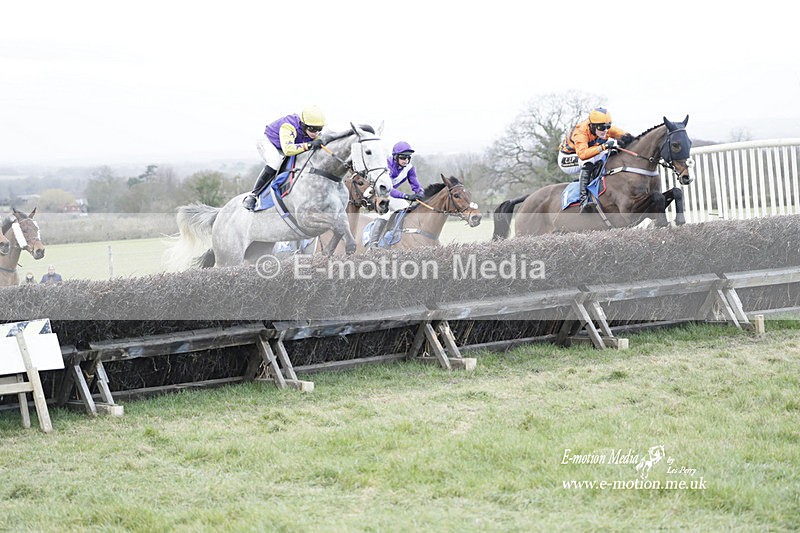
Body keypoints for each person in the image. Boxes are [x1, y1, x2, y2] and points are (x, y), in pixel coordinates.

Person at [243, 105, 326, 211]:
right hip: (270, 143)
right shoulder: (289, 126)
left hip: (287, 145)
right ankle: (253, 195)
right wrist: (309, 145)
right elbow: (288, 150)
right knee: (275, 163)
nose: (316, 133)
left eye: (320, 129)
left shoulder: (313, 131)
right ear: (304, 125)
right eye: (313, 130)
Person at [558, 107, 634, 212]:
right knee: (588, 161)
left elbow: (624, 135)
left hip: (586, 152)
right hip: (568, 158)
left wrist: (629, 138)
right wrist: (603, 147)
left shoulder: (601, 126)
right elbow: (583, 154)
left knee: (611, 152)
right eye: (602, 128)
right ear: (592, 126)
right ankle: (583, 201)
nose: (606, 130)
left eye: (608, 126)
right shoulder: (581, 132)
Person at [366, 141, 425, 247]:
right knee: (386, 214)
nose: (406, 160)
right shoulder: (386, 166)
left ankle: (396, 234)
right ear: (395, 157)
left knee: (406, 208)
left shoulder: (409, 168)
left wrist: (421, 194)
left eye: (408, 157)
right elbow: (389, 189)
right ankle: (372, 243)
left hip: (389, 195)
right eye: (403, 157)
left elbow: (415, 184)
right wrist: (406, 196)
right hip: (375, 193)